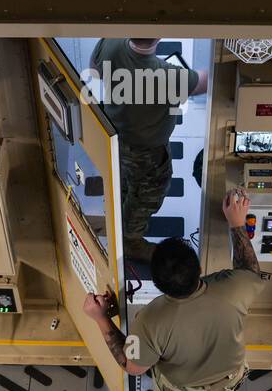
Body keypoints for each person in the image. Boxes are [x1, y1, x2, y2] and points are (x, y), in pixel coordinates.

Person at [81, 189, 266, 391]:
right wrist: (237, 224)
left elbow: (132, 366)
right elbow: (249, 267)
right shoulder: (234, 288)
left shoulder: (150, 319)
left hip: (184, 390)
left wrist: (100, 318)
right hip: (229, 376)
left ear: (157, 282)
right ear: (198, 267)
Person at [88, 39, 207, 262]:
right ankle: (130, 241)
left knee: (122, 180)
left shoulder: (109, 42)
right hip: (148, 154)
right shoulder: (171, 76)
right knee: (146, 196)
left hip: (114, 138)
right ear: (159, 37)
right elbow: (205, 82)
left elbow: (95, 70)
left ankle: (119, 212)